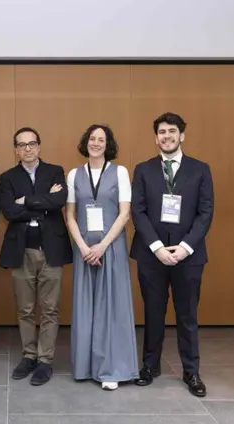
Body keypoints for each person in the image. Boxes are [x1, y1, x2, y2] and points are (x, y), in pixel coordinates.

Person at [130, 112, 214, 397]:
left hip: (188, 256)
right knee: (153, 313)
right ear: (156, 137)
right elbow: (137, 211)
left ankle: (191, 371)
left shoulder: (201, 169)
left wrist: (184, 247)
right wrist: (156, 247)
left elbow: (205, 213)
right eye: (162, 132)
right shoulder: (143, 169)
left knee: (187, 315)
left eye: (172, 131)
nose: (166, 136)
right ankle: (149, 366)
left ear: (182, 135)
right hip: (151, 255)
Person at [65, 124, 139, 391]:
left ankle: (112, 369)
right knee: (86, 307)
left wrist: (102, 246)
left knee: (112, 308)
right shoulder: (74, 174)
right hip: (84, 250)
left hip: (111, 248)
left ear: (108, 145)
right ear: (86, 143)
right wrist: (85, 248)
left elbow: (125, 214)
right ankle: (85, 367)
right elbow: (70, 215)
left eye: (101, 139)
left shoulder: (120, 173)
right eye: (92, 139)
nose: (96, 143)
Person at [0, 127, 72, 386]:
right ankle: (29, 356)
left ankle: (45, 361)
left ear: (39, 147)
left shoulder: (55, 171)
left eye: (32, 144)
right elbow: (8, 211)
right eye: (22, 145)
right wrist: (42, 202)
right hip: (22, 252)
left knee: (50, 309)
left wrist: (25, 202)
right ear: (16, 150)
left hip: (51, 250)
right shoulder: (7, 177)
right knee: (26, 309)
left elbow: (59, 200)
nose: (27, 148)